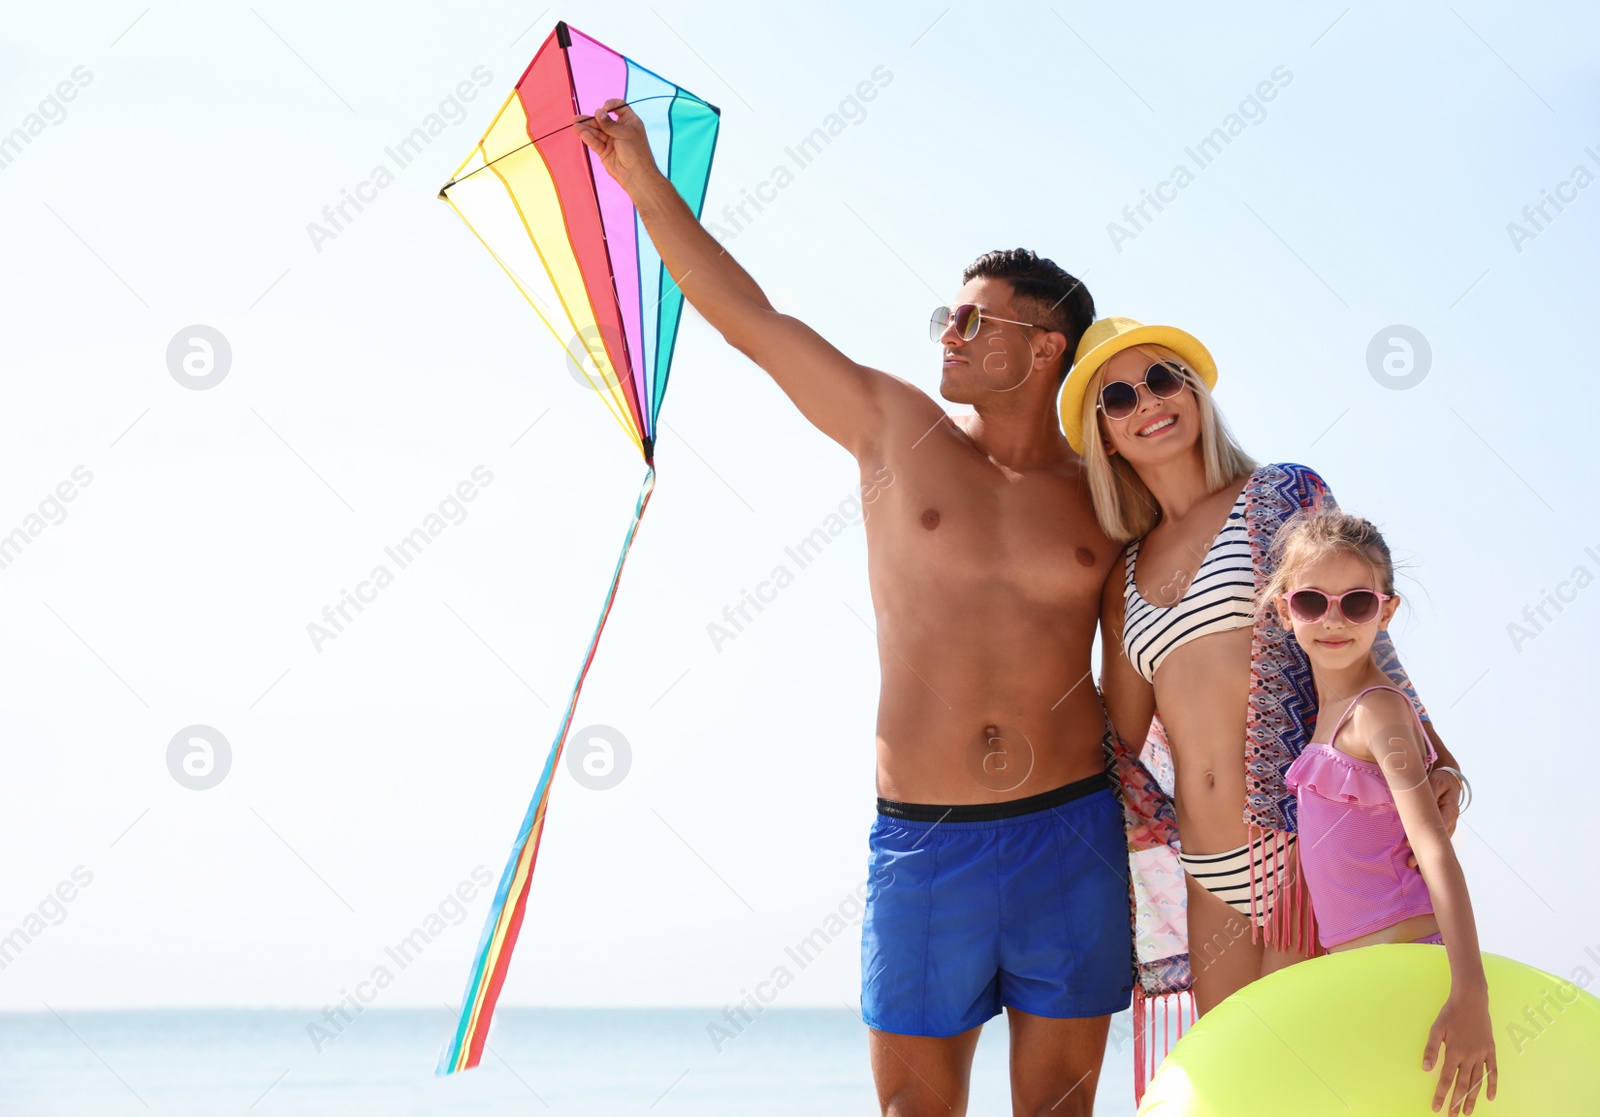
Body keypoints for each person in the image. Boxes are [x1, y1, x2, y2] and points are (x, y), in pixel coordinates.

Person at [577, 100, 1141, 1116]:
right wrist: (642, 183)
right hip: (926, 842)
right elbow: (754, 322)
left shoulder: (1109, 493)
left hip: (1070, 831)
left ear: (1049, 345)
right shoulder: (896, 429)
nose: (951, 332)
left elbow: (1188, 618)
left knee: (1061, 1107)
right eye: (948, 315)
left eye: (978, 319)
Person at [1063, 318, 1468, 1018]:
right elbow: (1117, 750)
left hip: (1302, 851)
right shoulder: (1123, 573)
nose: (1148, 403)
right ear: (1103, 433)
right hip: (1206, 872)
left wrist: (1441, 758)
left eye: (1163, 378)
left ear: (1192, 391)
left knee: (1320, 1078)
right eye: (1120, 397)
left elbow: (1363, 638)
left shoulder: (1280, 495)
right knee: (1240, 1086)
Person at [1273, 508, 1496, 1116]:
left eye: (1358, 604)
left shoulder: (1378, 712)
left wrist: (1469, 990)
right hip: (1366, 977)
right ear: (1284, 608)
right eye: (1313, 602)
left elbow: (1432, 845)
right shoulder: (1331, 711)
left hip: (1413, 972)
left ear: (1387, 612)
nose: (1334, 620)